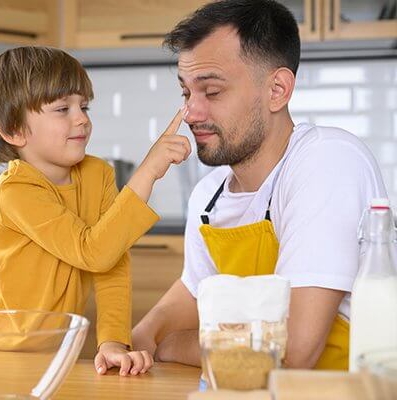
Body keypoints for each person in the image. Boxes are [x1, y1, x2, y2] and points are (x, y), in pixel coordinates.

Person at [132, 0, 387, 370]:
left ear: (277, 90)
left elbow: (291, 352)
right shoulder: (210, 197)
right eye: (186, 92)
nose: (190, 113)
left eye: (212, 92)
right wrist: (144, 337)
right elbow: (186, 301)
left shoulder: (327, 161)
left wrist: (172, 345)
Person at [0, 46, 192, 376]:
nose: (82, 118)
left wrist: (113, 341)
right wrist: (148, 171)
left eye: (83, 106)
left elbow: (111, 263)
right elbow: (92, 251)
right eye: (62, 109)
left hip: (54, 351)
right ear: (13, 129)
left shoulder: (98, 175)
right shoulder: (17, 191)